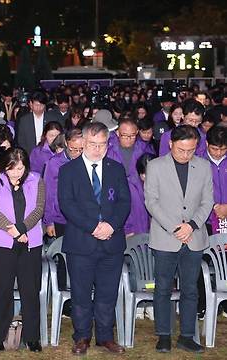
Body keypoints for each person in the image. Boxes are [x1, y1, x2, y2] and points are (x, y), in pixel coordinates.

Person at [58, 122, 131, 355]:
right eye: (92, 144)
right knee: (80, 293)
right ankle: (81, 336)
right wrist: (93, 226)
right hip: (81, 242)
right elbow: (66, 204)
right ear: (83, 142)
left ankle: (105, 336)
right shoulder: (68, 170)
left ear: (108, 145)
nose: (97, 149)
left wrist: (110, 225)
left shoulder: (116, 169)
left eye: (102, 145)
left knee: (108, 293)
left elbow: (124, 202)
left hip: (112, 241)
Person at [144, 125, 213, 354]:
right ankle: (164, 335)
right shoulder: (155, 166)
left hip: (194, 236)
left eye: (191, 150)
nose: (186, 154)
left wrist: (192, 225)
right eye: (181, 150)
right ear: (170, 144)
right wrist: (176, 228)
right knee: (162, 287)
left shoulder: (203, 167)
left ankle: (186, 336)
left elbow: (207, 202)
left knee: (190, 289)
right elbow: (151, 202)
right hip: (165, 237)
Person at [0, 147, 45, 352]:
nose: (16, 173)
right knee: (2, 289)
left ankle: (32, 337)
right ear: (5, 167)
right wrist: (13, 231)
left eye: (20, 168)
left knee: (30, 290)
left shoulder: (36, 180)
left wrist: (22, 229)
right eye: (12, 168)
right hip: (2, 243)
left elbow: (38, 209)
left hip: (30, 241)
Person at [106, 117, 155, 236]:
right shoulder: (108, 150)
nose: (129, 139)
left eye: (132, 135)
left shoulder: (144, 149)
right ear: (117, 133)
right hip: (115, 197)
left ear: (137, 132)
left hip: (139, 197)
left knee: (140, 232)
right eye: (124, 135)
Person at [43, 128, 84, 238]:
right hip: (61, 218)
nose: (77, 153)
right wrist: (49, 221)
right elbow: (49, 193)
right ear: (66, 143)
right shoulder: (54, 163)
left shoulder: (88, 161)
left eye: (81, 149)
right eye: (73, 149)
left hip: (84, 217)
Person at [203, 125, 227, 234]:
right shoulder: (198, 162)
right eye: (214, 149)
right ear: (207, 143)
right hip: (206, 220)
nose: (218, 153)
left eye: (223, 149)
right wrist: (215, 207)